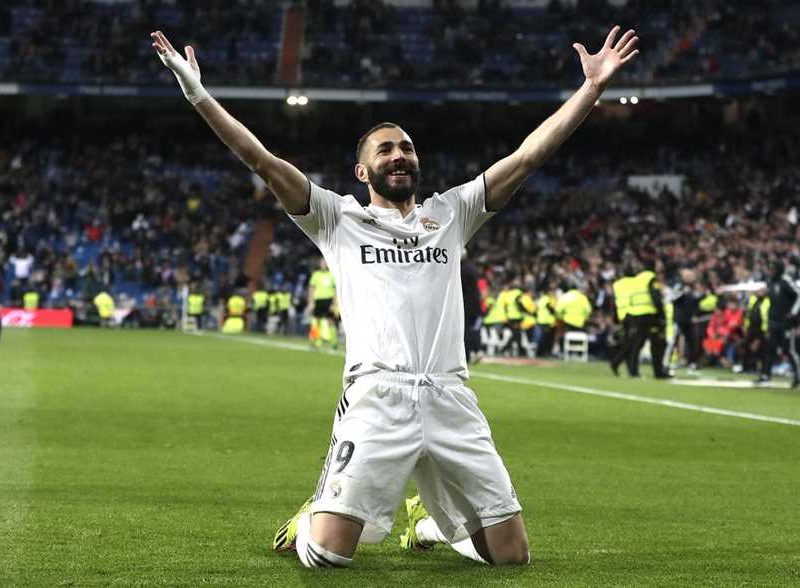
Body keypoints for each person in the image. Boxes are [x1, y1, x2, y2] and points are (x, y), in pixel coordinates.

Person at [152, 25, 639, 568]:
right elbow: (260, 159)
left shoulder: (452, 212)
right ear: (363, 171)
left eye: (406, 147)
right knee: (327, 556)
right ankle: (312, 516)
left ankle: (426, 526)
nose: (398, 155)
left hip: (450, 396)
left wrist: (591, 89)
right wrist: (197, 93)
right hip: (376, 397)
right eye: (385, 149)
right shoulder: (336, 218)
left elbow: (528, 157)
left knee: (512, 556)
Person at [757, 260, 800, 387]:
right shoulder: (770, 282)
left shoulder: (786, 281)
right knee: (770, 349)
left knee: (790, 350)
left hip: (787, 323)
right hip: (773, 321)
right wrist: (761, 295)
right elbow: (770, 296)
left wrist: (793, 312)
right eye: (770, 269)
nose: (771, 271)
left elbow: (799, 295)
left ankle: (798, 376)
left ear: (779, 270)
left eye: (773, 269)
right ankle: (765, 376)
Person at [307, 258, 337, 349]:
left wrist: (334, 303)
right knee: (316, 321)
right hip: (318, 300)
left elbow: (335, 290)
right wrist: (311, 302)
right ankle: (317, 342)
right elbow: (311, 289)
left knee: (331, 321)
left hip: (329, 300)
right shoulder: (316, 274)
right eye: (322, 263)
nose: (323, 264)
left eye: (325, 263)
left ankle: (334, 343)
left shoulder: (332, 274)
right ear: (319, 264)